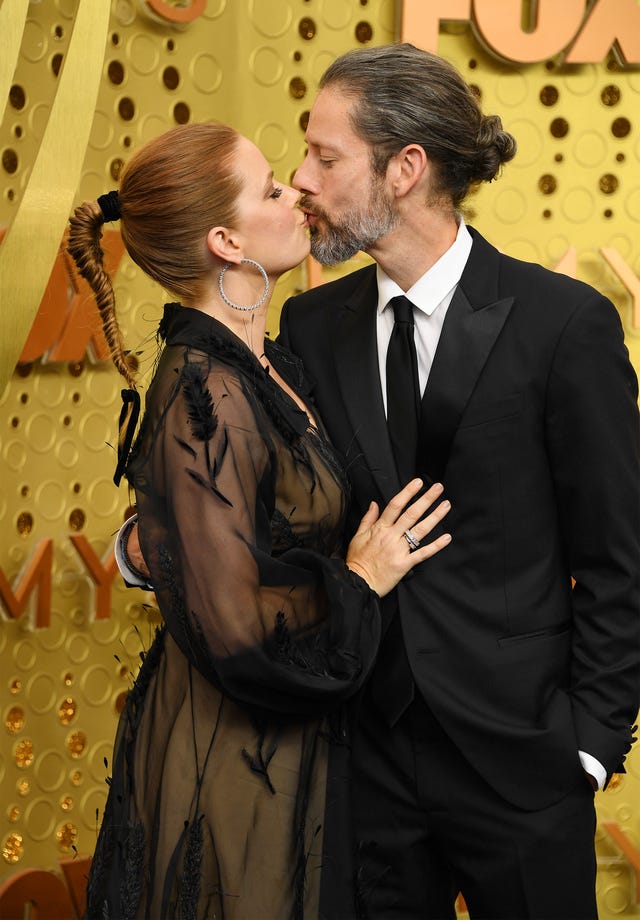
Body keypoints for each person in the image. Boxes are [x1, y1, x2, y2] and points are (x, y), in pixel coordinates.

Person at [276, 43, 640, 920]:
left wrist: (589, 745)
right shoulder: (310, 324)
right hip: (364, 767)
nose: (301, 179)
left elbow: (620, 557)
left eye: (325, 157)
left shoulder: (564, 325)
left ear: (405, 169)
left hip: (525, 768)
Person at [66, 121, 452, 919]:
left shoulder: (269, 361)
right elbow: (238, 626)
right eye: (272, 189)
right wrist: (359, 578)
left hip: (292, 746)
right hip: (233, 761)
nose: (298, 195)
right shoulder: (206, 390)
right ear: (227, 242)